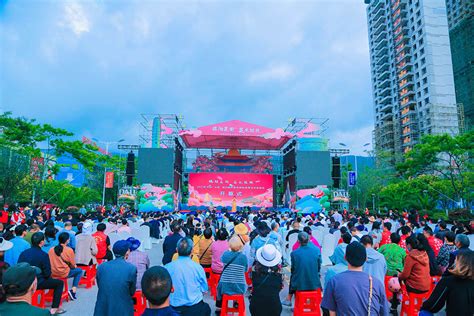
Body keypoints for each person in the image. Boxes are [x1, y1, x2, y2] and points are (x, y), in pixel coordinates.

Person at [321, 242, 388, 315]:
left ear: (345, 257)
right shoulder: (376, 283)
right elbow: (384, 312)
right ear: (366, 259)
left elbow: (331, 311)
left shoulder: (334, 281)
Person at [18, 232, 65, 315]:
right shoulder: (43, 255)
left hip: (24, 280)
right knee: (59, 283)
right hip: (38, 282)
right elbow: (47, 274)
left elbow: (19, 267)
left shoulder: (23, 253)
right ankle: (54, 308)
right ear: (42, 242)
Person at [165, 237, 210, 316]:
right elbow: (204, 289)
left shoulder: (167, 267)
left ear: (177, 250)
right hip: (194, 307)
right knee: (206, 309)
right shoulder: (198, 268)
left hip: (173, 307)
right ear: (192, 251)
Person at [420, 251, 474, 316]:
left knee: (424, 312)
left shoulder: (448, 281)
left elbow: (433, 306)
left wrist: (422, 306)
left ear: (459, 263)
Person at [94, 240, 137, 316]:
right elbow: (132, 292)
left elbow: (100, 285)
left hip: (102, 307)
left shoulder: (101, 267)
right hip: (123, 308)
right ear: (127, 252)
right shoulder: (131, 268)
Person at [392, 234, 431, 314]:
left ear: (409, 245)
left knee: (396, 278)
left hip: (415, 286)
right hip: (426, 285)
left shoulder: (411, 256)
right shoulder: (424, 252)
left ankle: (395, 305)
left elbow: (405, 275)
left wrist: (399, 275)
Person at [283, 232, 321, 307]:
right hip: (314, 281)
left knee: (294, 275)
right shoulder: (316, 250)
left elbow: (293, 269)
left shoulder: (294, 253)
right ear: (308, 240)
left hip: (299, 283)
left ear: (298, 241)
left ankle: (289, 298)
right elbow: (318, 267)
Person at [215, 236, 248, 314]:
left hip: (225, 286)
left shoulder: (225, 254)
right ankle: (237, 306)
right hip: (239, 287)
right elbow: (245, 270)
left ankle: (221, 307)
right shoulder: (243, 257)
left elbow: (221, 260)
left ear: (229, 245)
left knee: (219, 286)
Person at [48, 232, 84, 300]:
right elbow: (73, 265)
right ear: (67, 240)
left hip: (52, 273)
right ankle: (73, 290)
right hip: (63, 273)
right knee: (79, 271)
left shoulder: (51, 249)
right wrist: (74, 266)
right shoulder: (69, 250)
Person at [250, 244, 283, 316]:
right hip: (275, 309)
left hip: (256, 308)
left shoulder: (254, 274)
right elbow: (279, 288)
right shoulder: (278, 276)